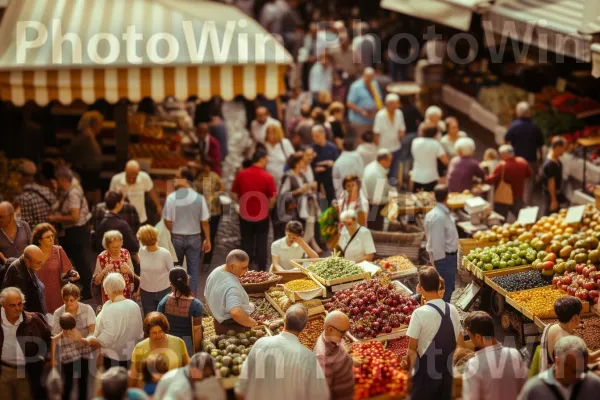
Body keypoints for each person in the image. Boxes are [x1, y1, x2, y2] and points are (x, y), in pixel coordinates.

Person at [235, 304, 330, 399]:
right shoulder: (308, 358)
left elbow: (241, 387)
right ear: (304, 327)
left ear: (284, 319)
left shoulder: (261, 344)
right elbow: (321, 396)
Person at [404, 267, 464, 400]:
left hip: (426, 376)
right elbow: (460, 344)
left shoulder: (419, 313)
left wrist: (409, 375)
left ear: (419, 287)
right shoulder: (452, 309)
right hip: (447, 374)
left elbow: (412, 350)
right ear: (439, 285)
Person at [164, 167, 211, 295]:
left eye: (177, 176)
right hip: (194, 237)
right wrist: (207, 239)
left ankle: (177, 295)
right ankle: (192, 298)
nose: (175, 179)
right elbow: (205, 222)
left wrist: (173, 231)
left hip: (177, 237)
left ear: (184, 179)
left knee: (176, 270)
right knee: (193, 271)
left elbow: (167, 220)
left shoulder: (172, 198)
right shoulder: (199, 198)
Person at [462, 311, 527, 400]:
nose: (471, 341)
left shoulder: (473, 365)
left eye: (470, 337)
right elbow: (525, 389)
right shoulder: (514, 354)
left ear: (478, 337)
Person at [0, 287, 51, 399]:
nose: (17, 308)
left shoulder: (33, 319)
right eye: (12, 305)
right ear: (3, 305)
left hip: (26, 371)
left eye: (20, 304)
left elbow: (48, 339)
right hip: (4, 371)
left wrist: (47, 358)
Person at [49, 166, 92, 298]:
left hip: (76, 231)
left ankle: (88, 289)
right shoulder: (66, 192)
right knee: (71, 260)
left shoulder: (73, 193)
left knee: (80, 260)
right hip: (70, 232)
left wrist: (54, 218)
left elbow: (75, 217)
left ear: (62, 180)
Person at [231, 150, 276, 272]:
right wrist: (268, 209)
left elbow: (234, 193)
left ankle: (245, 268)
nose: (267, 161)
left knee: (246, 242)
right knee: (262, 242)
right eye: (266, 158)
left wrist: (241, 203)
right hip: (262, 214)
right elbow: (272, 198)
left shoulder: (241, 174)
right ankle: (262, 270)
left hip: (245, 213)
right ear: (261, 159)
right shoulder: (268, 176)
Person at [89, 273, 144, 370]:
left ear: (108, 289)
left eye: (105, 288)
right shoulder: (134, 305)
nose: (105, 292)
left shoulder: (110, 308)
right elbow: (139, 333)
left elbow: (107, 338)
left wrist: (90, 341)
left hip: (113, 357)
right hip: (131, 354)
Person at [51, 284, 96, 400]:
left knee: (83, 384)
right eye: (66, 300)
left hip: (84, 349)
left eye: (72, 300)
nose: (69, 303)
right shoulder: (58, 313)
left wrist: (82, 338)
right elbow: (55, 336)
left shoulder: (87, 309)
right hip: (67, 351)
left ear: (78, 298)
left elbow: (93, 332)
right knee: (68, 384)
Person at [519, 336, 600, 399]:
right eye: (574, 371)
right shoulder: (534, 390)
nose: (579, 376)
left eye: (584, 370)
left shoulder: (594, 385)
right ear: (558, 362)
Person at [539, 296, 600, 372]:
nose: (580, 318)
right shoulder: (568, 341)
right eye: (580, 315)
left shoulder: (553, 327)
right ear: (575, 318)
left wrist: (576, 325)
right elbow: (589, 359)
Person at [204, 250, 257, 334]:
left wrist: (216, 316)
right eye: (243, 268)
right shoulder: (232, 286)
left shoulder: (215, 272)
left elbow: (207, 297)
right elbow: (235, 312)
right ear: (232, 266)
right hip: (234, 328)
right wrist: (252, 323)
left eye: (247, 266)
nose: (247, 270)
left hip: (218, 323)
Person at [130, 312, 189, 387]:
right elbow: (134, 375)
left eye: (160, 331)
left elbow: (187, 366)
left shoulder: (179, 342)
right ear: (148, 333)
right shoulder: (139, 347)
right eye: (154, 333)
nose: (158, 335)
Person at [31, 223, 80, 313]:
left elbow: (68, 270)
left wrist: (74, 274)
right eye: (47, 237)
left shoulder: (58, 251)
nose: (51, 239)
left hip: (57, 297)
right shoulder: (32, 253)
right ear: (39, 240)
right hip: (38, 297)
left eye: (52, 236)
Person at [505, 102, 545, 205]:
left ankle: (516, 205)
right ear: (529, 113)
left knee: (516, 183)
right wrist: (541, 159)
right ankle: (527, 207)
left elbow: (505, 142)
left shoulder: (514, 126)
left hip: (516, 161)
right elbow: (540, 146)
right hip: (531, 161)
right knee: (529, 186)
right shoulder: (535, 127)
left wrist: (507, 156)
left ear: (518, 113)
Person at [424, 185, 459, 302]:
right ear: (447, 197)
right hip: (444, 260)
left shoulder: (436, 214)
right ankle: (443, 316)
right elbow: (437, 244)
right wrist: (437, 267)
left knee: (447, 289)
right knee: (445, 291)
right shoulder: (438, 217)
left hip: (446, 259)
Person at [158, 267, 204, 355]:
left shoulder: (163, 302)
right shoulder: (195, 305)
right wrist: (197, 350)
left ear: (171, 283)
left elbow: (160, 326)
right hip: (187, 345)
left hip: (169, 343)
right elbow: (197, 330)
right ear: (187, 281)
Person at [314, 310, 354, 400]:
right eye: (342, 332)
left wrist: (357, 362)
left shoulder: (334, 340)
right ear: (330, 330)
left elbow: (343, 356)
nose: (345, 336)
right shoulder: (322, 356)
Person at [193, 156, 225, 269]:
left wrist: (214, 196)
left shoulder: (215, 177)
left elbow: (222, 189)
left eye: (206, 165)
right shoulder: (199, 177)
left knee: (210, 235)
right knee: (200, 235)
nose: (204, 167)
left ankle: (207, 261)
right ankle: (197, 258)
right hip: (200, 211)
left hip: (213, 211)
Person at [485, 145, 533, 219]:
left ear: (503, 154)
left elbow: (491, 180)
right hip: (518, 196)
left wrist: (484, 177)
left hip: (503, 198)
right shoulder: (522, 162)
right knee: (523, 219)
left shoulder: (502, 165)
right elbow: (529, 174)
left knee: (500, 219)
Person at [154, 352, 226, 400]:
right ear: (195, 370)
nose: (203, 379)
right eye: (205, 375)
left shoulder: (183, 372)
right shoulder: (181, 386)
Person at [109, 160, 162, 225]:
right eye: (129, 177)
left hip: (140, 218)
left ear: (138, 173)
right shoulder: (116, 180)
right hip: (121, 218)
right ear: (125, 170)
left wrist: (158, 206)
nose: (131, 180)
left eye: (134, 177)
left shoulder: (144, 178)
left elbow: (151, 191)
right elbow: (111, 198)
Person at [137, 225, 174, 316]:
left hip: (164, 291)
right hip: (146, 292)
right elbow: (143, 272)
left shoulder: (165, 253)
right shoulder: (141, 251)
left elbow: (172, 273)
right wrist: (139, 288)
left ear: (142, 240)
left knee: (165, 318)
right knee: (149, 319)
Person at [93, 230, 136, 303]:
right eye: (114, 247)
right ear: (107, 246)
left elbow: (133, 275)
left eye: (119, 246)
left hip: (125, 293)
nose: (117, 249)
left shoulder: (125, 253)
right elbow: (96, 281)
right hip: (109, 296)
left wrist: (128, 270)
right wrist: (104, 271)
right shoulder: (101, 257)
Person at [2, 245, 46, 314]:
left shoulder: (26, 264)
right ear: (27, 262)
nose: (42, 265)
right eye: (38, 263)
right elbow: (21, 305)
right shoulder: (17, 275)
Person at [14, 159, 57, 229]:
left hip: (35, 237)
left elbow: (24, 225)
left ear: (21, 176)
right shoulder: (46, 191)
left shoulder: (24, 197)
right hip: (50, 235)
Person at [68, 111, 104, 194]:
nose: (101, 127)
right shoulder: (86, 136)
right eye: (100, 123)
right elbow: (96, 154)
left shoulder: (89, 135)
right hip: (86, 173)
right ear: (93, 124)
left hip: (90, 172)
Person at [95, 190, 140, 257]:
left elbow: (96, 244)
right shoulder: (122, 225)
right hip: (121, 260)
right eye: (122, 201)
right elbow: (134, 246)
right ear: (117, 204)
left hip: (104, 258)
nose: (123, 203)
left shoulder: (101, 219)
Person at [373, 93, 406, 184]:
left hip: (396, 147)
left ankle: (391, 187)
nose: (398, 105)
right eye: (396, 103)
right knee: (382, 171)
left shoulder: (399, 113)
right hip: (383, 148)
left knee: (393, 170)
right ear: (389, 104)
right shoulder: (380, 115)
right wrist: (377, 148)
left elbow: (402, 128)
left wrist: (401, 135)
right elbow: (376, 132)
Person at [347, 68, 383, 143]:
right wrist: (362, 111)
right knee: (360, 142)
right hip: (359, 121)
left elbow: (378, 98)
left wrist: (376, 110)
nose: (370, 79)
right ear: (364, 76)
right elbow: (349, 103)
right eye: (368, 77)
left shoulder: (374, 84)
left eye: (372, 77)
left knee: (372, 142)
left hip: (373, 119)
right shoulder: (356, 86)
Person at [411, 122, 448, 192]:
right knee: (430, 200)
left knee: (416, 200)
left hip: (416, 176)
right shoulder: (435, 144)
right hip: (431, 176)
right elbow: (445, 160)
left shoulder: (415, 141)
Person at [363, 149, 393, 230]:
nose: (390, 163)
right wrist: (392, 198)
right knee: (375, 230)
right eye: (389, 161)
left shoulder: (371, 165)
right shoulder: (378, 175)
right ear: (383, 161)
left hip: (368, 202)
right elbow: (378, 200)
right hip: (374, 208)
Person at [312, 125, 340, 204]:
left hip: (329, 178)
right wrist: (315, 169)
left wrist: (332, 163)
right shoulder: (312, 148)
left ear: (323, 134)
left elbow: (337, 162)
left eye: (317, 136)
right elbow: (309, 164)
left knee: (330, 199)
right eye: (313, 136)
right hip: (317, 178)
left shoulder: (332, 147)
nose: (315, 138)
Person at [543, 136, 568, 215]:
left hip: (556, 193)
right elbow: (551, 183)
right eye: (563, 148)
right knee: (551, 214)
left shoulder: (554, 157)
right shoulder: (551, 164)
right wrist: (553, 200)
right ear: (557, 147)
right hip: (551, 194)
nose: (564, 151)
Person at [264, 123, 295, 188]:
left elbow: (293, 158)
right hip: (268, 179)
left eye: (272, 133)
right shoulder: (264, 145)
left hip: (283, 178)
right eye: (268, 133)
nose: (270, 135)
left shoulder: (285, 143)